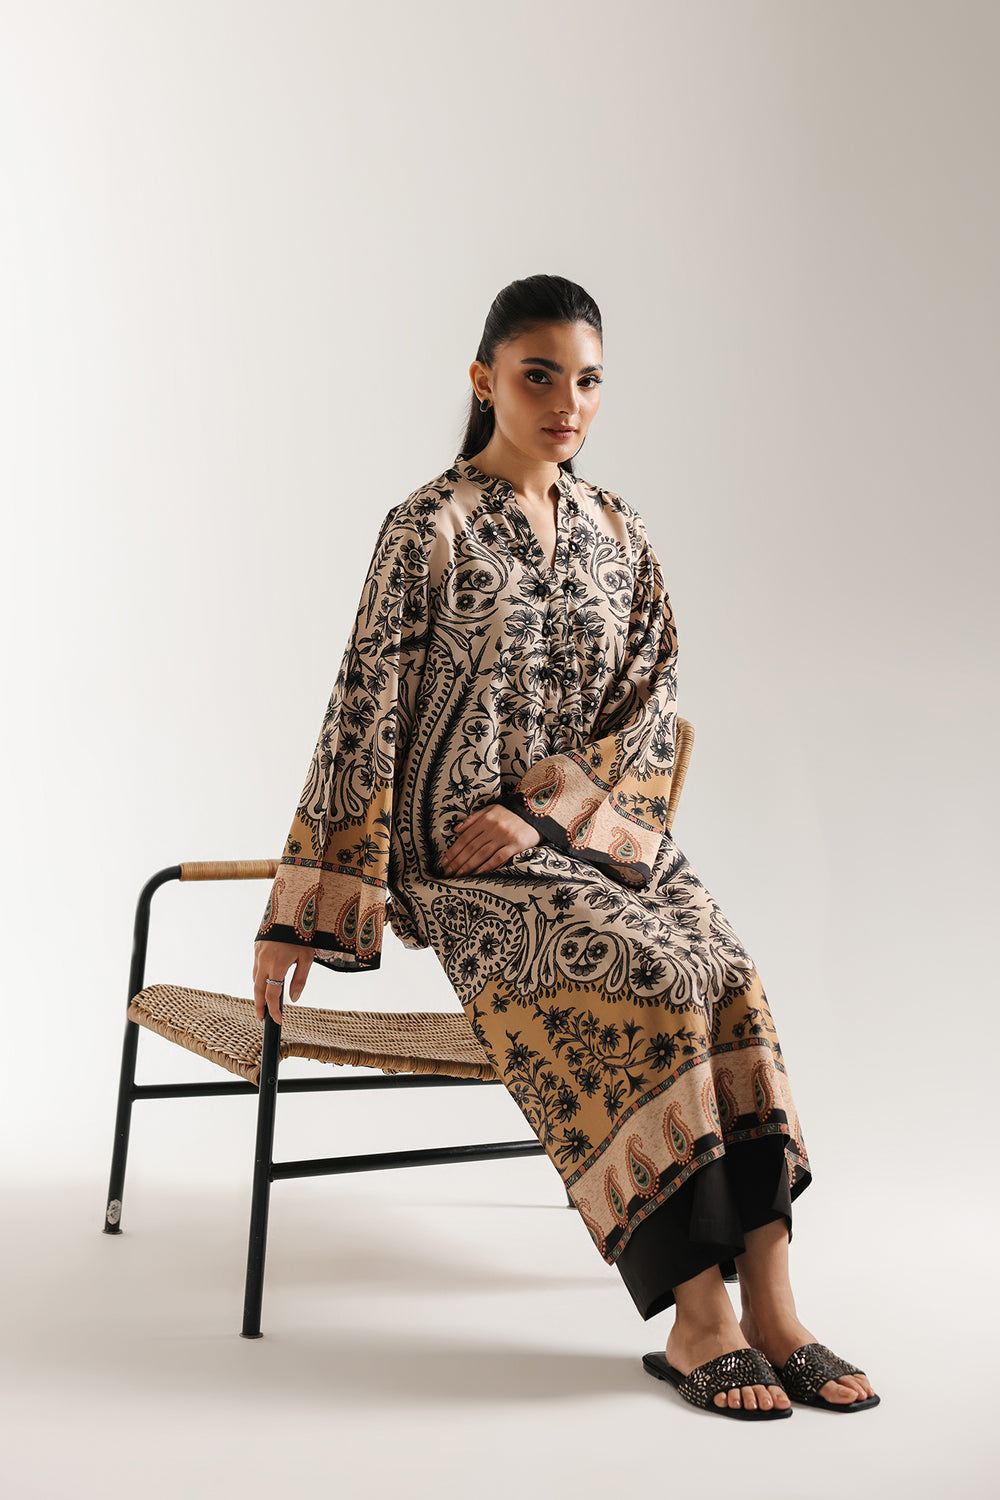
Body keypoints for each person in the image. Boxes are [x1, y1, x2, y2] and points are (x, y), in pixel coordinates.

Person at [252, 274, 879, 1420]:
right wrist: (306, 906)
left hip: (596, 835)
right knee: (652, 980)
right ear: (483, 378)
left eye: (587, 381)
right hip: (462, 863)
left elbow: (650, 703)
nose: (566, 402)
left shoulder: (617, 530)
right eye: (538, 376)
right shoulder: (427, 528)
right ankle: (698, 1322)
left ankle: (776, 1309)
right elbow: (363, 708)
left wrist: (549, 813)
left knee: (726, 975)